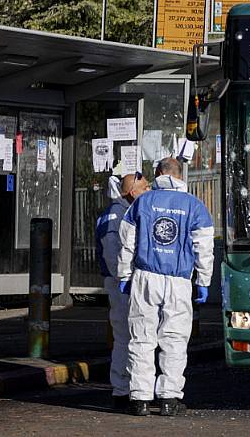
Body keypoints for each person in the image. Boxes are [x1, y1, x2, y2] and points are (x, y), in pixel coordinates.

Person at [117, 158, 214, 416]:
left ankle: (140, 398)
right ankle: (169, 398)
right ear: (179, 175)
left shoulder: (142, 203)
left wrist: (124, 276)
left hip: (146, 276)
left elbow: (127, 242)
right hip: (179, 280)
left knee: (141, 338)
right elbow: (204, 248)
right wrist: (203, 281)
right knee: (174, 339)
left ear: (158, 174)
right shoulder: (195, 206)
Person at [95, 173, 148, 410]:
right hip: (121, 283)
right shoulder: (116, 216)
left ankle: (125, 388)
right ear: (132, 192)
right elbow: (112, 254)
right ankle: (122, 389)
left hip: (125, 281)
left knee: (128, 338)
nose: (148, 192)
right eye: (145, 188)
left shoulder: (122, 212)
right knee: (127, 337)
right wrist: (126, 279)